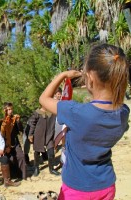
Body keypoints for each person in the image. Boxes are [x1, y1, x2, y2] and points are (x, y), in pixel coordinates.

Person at [39, 43, 130, 200]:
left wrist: (62, 76)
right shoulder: (123, 112)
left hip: (77, 189)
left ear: (90, 78)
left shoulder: (77, 113)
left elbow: (43, 99)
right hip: (106, 186)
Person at [26, 106, 61, 176]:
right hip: (38, 135)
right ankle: (36, 168)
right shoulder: (37, 112)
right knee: (37, 152)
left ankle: (51, 169)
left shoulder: (51, 112)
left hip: (49, 135)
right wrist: (30, 134)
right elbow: (32, 124)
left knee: (51, 152)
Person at [0, 102, 27, 180]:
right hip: (5, 144)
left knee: (21, 156)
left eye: (11, 109)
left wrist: (18, 122)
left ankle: (23, 176)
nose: (10, 111)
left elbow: (20, 130)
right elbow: (1, 136)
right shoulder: (1, 122)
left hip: (15, 142)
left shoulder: (15, 119)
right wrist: (5, 146)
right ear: (4, 110)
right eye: (8, 109)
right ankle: (12, 176)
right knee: (9, 159)